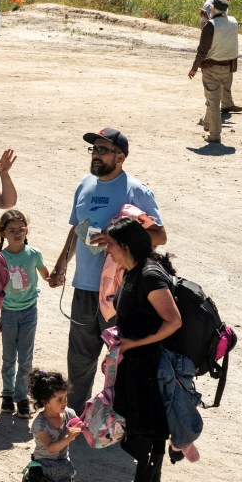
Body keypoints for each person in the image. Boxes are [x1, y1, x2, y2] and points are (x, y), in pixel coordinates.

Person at [47, 128, 165, 416]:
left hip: (121, 291)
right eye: (94, 150)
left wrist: (117, 239)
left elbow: (159, 236)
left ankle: (119, 419)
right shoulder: (85, 185)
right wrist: (62, 263)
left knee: (120, 357)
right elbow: (77, 228)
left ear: (120, 157)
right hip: (85, 287)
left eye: (103, 150)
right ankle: (76, 417)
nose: (96, 155)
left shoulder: (136, 191)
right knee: (79, 359)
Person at [102, 217, 181, 482]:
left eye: (111, 244)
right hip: (133, 361)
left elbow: (173, 321)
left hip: (147, 365)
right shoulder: (133, 271)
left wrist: (135, 344)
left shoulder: (149, 275)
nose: (107, 250)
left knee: (143, 427)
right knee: (152, 425)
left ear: (124, 245)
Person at [0, 210, 49, 418]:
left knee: (25, 358)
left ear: (27, 230)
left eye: (21, 229)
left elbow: (45, 274)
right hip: (7, 313)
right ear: (3, 234)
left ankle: (22, 397)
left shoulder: (34, 254)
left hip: (28, 311)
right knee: (9, 357)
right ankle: (8, 395)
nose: (17, 234)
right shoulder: (0, 258)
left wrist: (54, 277)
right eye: (12, 230)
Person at [21, 369, 81, 482]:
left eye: (65, 397)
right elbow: (51, 448)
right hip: (43, 466)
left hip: (63, 466)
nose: (64, 402)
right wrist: (69, 437)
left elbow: (81, 424)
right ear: (44, 401)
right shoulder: (40, 424)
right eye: (59, 399)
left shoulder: (69, 413)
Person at [189, 0, 240, 144]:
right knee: (214, 96)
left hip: (212, 67)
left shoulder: (210, 25)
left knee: (213, 101)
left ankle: (215, 135)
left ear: (212, 7)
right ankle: (207, 123)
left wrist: (194, 68)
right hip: (229, 68)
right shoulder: (233, 22)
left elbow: (202, 50)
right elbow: (223, 32)